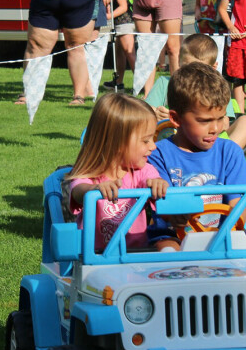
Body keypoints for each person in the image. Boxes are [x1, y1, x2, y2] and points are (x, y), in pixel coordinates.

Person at [147, 63, 246, 250]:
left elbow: (239, 208)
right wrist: (175, 216)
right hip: (174, 236)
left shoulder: (229, 152)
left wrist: (222, 236)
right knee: (168, 250)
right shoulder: (157, 153)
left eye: (220, 118)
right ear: (176, 119)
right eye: (205, 121)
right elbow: (166, 207)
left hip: (224, 235)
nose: (215, 128)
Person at [64, 93, 168, 252]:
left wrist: (157, 183)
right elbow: (79, 190)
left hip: (135, 256)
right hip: (94, 258)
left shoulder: (142, 170)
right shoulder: (89, 175)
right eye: (146, 140)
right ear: (117, 142)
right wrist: (94, 190)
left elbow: (151, 179)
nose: (153, 146)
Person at [146, 33, 246, 150]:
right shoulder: (165, 83)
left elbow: (224, 123)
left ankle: (226, 158)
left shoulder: (217, 87)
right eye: (187, 67)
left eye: (199, 70)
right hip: (172, 141)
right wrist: (155, 113)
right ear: (179, 61)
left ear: (213, 68)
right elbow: (143, 112)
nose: (192, 74)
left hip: (208, 141)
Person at [103, 0, 134, 92]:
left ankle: (141, 83)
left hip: (124, 21)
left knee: (130, 53)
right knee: (119, 52)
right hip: (122, 22)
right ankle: (118, 82)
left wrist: (108, 16)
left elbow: (123, 6)